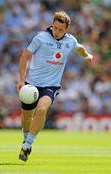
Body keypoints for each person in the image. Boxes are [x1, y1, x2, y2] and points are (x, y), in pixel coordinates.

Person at [16, 11, 93, 162]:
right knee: (26, 116)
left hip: (51, 85)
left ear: (67, 30)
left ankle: (27, 145)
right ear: (52, 24)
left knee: (42, 109)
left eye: (60, 29)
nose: (56, 31)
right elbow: (25, 56)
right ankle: (26, 139)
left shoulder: (70, 41)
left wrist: (87, 56)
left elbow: (79, 48)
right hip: (31, 84)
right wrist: (21, 80)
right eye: (55, 27)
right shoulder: (40, 38)